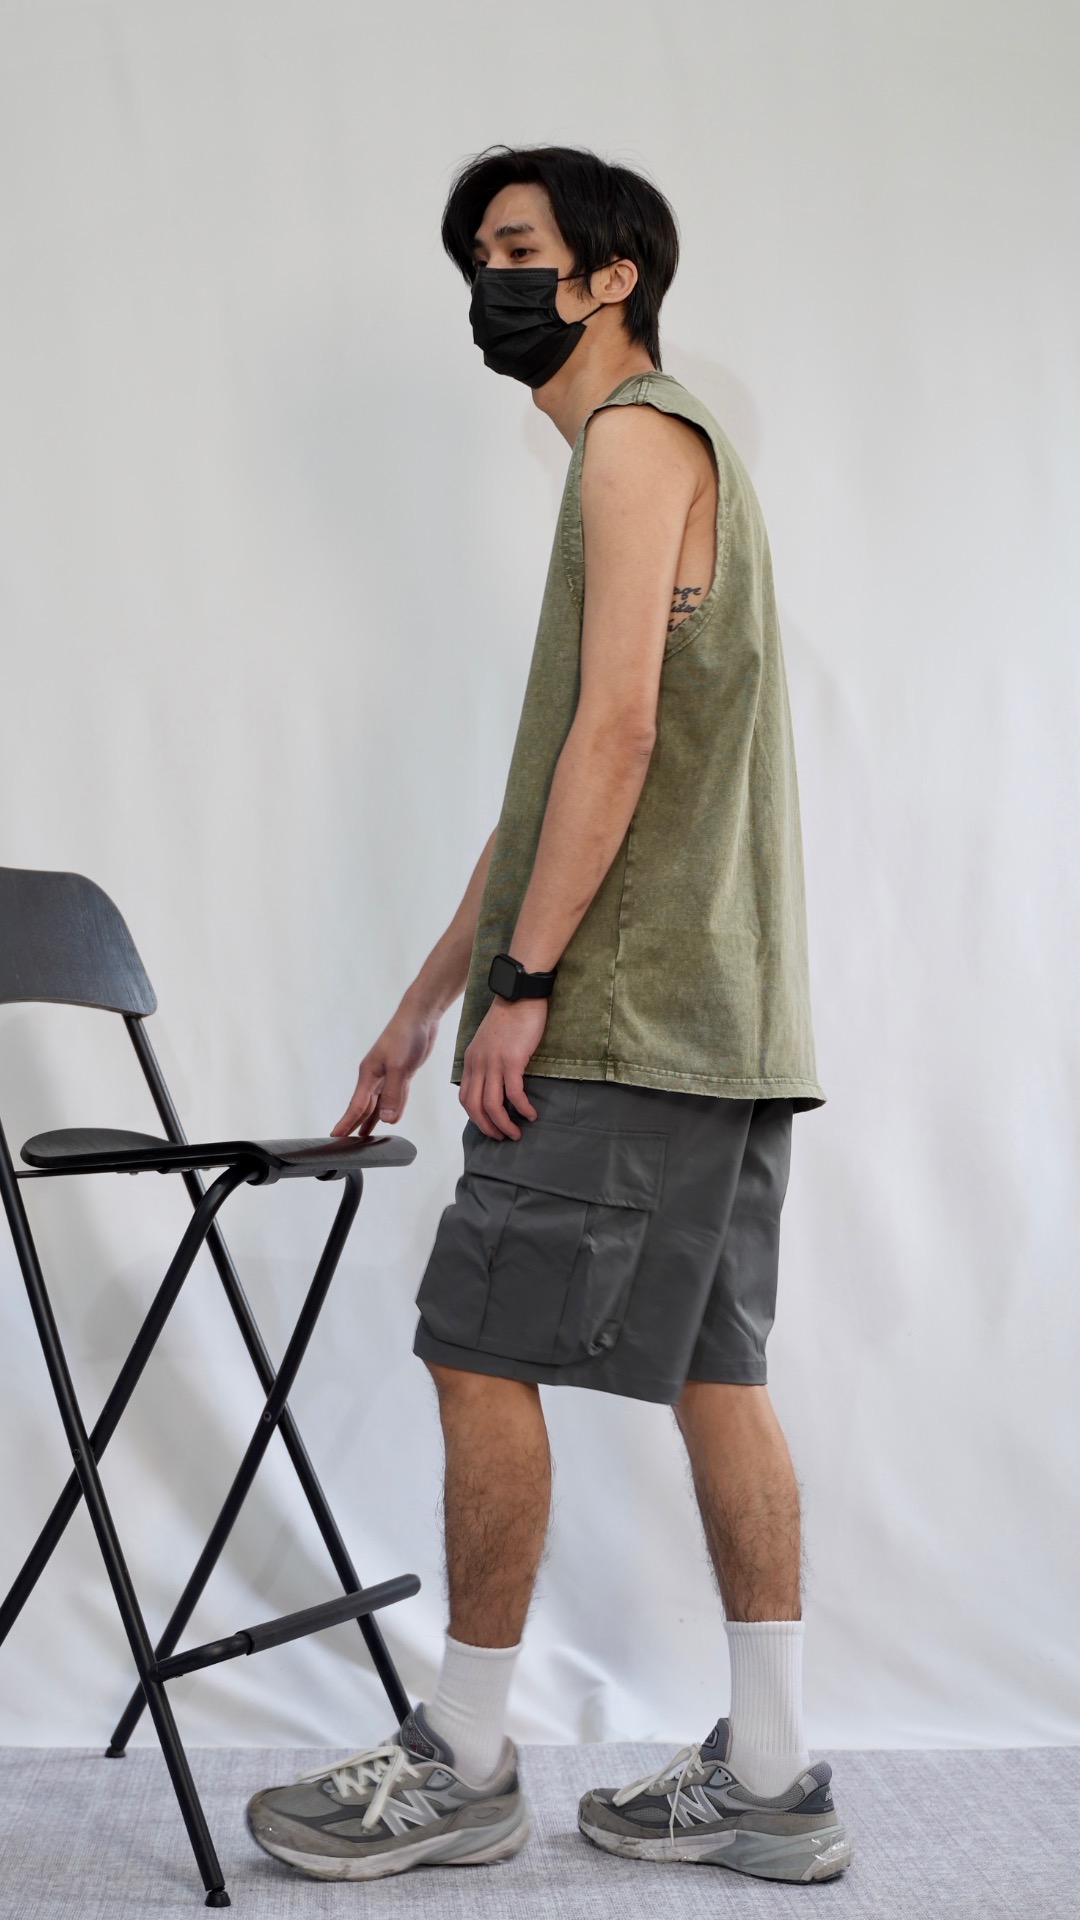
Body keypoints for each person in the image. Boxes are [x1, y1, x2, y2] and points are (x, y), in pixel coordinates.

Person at [247, 142, 852, 1887]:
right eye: (477, 257)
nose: (488, 284)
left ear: (609, 276)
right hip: (723, 1024)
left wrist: (525, 989)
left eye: (517, 250)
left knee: (474, 1344)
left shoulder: (635, 440)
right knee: (719, 1375)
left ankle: (463, 1759)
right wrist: (423, 1002)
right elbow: (549, 794)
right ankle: (773, 1776)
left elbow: (620, 735)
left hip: (625, 1013)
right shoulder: (666, 450)